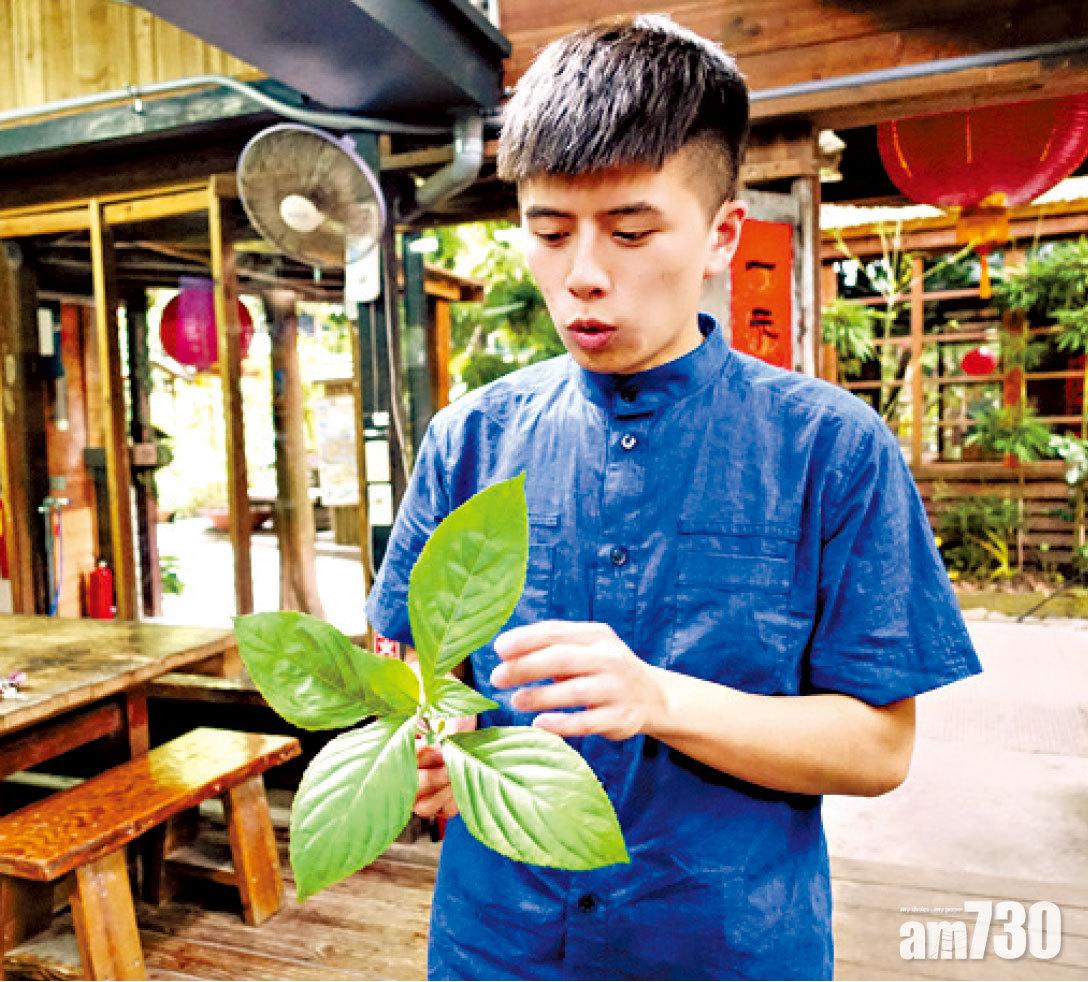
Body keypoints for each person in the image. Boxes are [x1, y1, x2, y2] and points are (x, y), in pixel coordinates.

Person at [364, 15, 982, 981]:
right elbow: (414, 671)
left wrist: (658, 698)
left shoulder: (829, 448)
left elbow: (877, 749)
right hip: (499, 942)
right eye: (549, 231)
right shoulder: (472, 439)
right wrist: (430, 743)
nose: (583, 277)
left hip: (722, 947)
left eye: (632, 229)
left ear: (720, 235)